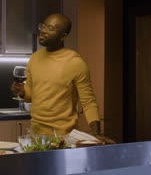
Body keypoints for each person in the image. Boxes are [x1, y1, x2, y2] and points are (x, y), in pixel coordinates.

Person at [12, 13, 115, 144]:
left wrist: (97, 134)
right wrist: (21, 92)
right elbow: (30, 95)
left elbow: (88, 102)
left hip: (63, 139)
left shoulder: (75, 63)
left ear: (63, 36)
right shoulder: (35, 58)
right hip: (36, 137)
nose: (42, 30)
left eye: (50, 28)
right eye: (43, 26)